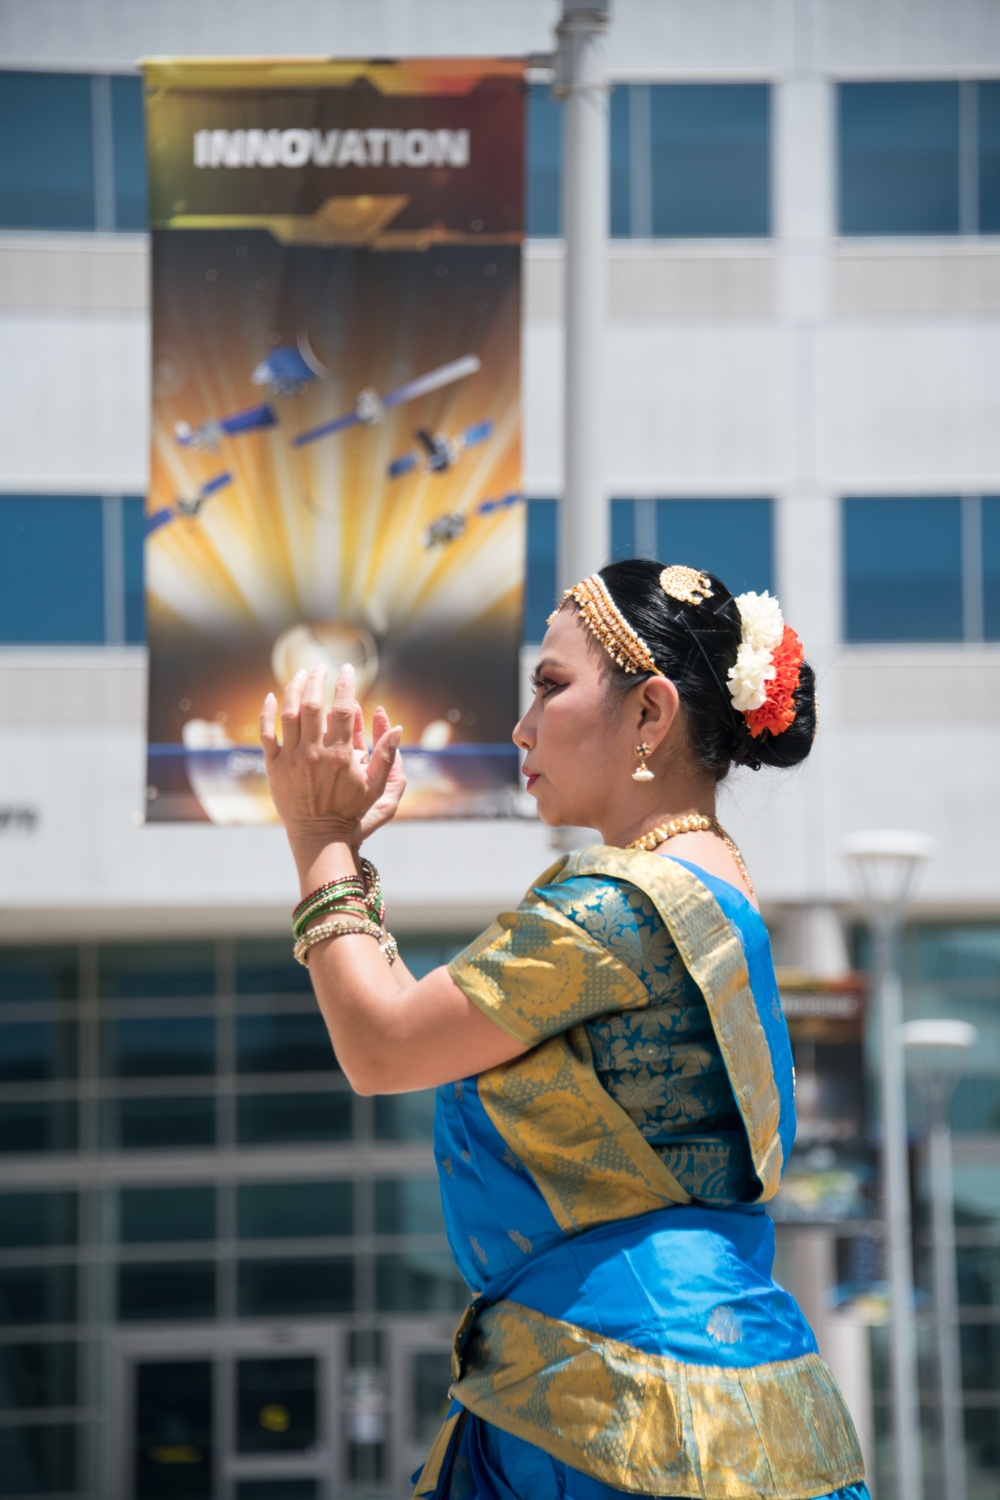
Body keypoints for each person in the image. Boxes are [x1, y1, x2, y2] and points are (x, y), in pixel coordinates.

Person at [260, 559, 869, 1500]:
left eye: (550, 686)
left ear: (650, 715)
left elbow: (381, 1047)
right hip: (727, 1385)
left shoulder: (619, 904)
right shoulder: (711, 886)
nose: (522, 726)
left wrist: (316, 837)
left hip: (613, 1405)